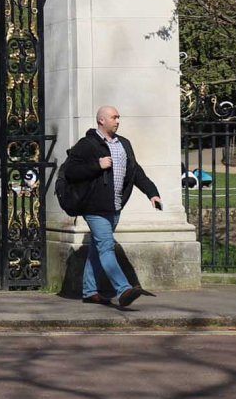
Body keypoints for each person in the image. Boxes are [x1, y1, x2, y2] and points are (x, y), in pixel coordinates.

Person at [58, 105, 163, 309]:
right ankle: (123, 289)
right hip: (94, 207)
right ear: (101, 120)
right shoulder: (87, 145)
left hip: (115, 207)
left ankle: (89, 292)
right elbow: (70, 171)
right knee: (106, 247)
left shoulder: (124, 144)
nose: (118, 121)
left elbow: (135, 172)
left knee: (98, 249)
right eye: (114, 117)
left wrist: (152, 192)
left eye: (118, 117)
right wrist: (97, 165)